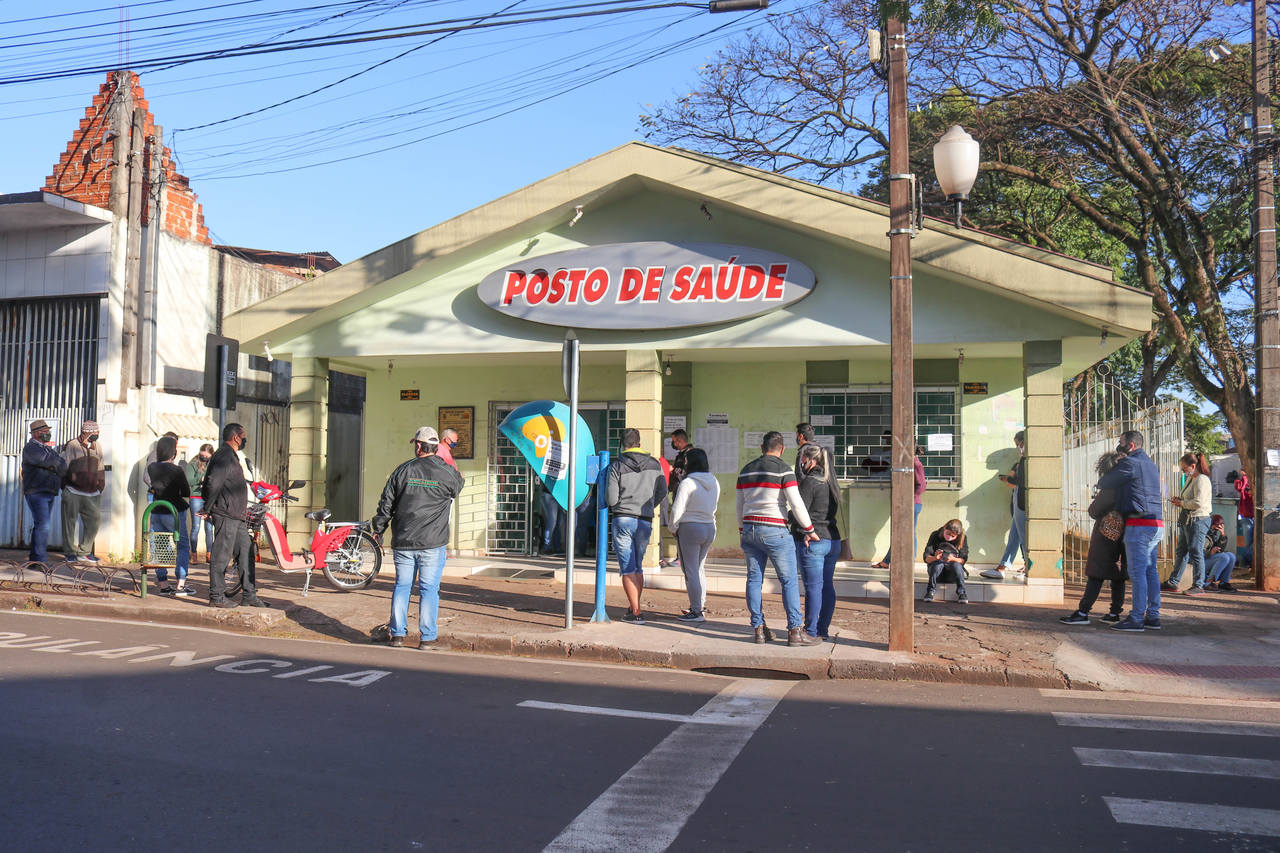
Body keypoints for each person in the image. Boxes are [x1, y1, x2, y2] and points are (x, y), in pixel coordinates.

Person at [372, 426, 464, 648]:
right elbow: (457, 486)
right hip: (433, 543)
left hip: (404, 541)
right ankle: (427, 638)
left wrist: (378, 529)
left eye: (416, 443)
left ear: (420, 446)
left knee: (402, 586)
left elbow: (386, 504)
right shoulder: (447, 472)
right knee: (429, 589)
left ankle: (398, 635)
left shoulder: (402, 471)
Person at [736, 430, 821, 646]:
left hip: (749, 529)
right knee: (788, 580)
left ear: (762, 448)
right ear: (782, 449)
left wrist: (741, 529)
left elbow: (739, 505)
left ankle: (758, 630)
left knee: (754, 580)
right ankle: (795, 632)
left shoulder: (745, 471)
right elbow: (796, 502)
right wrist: (809, 529)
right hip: (775, 530)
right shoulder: (784, 469)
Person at [1096, 430, 1164, 632]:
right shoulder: (1150, 464)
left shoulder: (1130, 463)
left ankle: (1136, 618)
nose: (1119, 445)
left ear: (1131, 446)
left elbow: (1105, 482)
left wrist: (1114, 463)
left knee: (1137, 573)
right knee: (1150, 571)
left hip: (1139, 525)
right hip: (1155, 523)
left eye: (1121, 442)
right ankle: (1153, 616)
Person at [605, 428, 668, 623]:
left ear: (623, 445)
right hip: (644, 520)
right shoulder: (654, 464)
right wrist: (648, 506)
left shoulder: (616, 466)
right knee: (637, 567)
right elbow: (662, 491)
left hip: (622, 518)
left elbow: (611, 499)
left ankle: (637, 612)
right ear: (639, 442)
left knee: (627, 568)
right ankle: (634, 608)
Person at [1059, 451, 1128, 624]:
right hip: (1126, 531)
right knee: (1118, 575)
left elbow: (1094, 510)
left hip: (1106, 535)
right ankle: (1114, 613)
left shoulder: (1111, 486)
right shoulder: (1130, 484)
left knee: (1096, 572)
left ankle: (1083, 612)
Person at [204, 423, 267, 609]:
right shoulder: (224, 456)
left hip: (237, 515)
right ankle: (217, 596)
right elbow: (213, 482)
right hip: (226, 513)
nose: (245, 439)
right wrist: (207, 507)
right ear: (236, 438)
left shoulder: (231, 456)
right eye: (244, 435)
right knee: (221, 555)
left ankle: (249, 595)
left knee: (246, 554)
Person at [792, 442, 842, 638]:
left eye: (803, 458)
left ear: (811, 460)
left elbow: (799, 511)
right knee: (827, 585)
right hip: (833, 540)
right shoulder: (831, 482)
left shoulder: (810, 482)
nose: (801, 462)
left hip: (812, 540)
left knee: (813, 588)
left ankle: (811, 631)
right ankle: (822, 630)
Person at [667, 447, 718, 623]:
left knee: (690, 571)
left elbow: (677, 509)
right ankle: (700, 606)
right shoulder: (714, 481)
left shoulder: (688, 483)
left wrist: (673, 528)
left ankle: (696, 611)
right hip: (709, 527)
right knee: (699, 569)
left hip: (690, 528)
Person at [147, 436, 193, 596]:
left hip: (156, 509)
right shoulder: (177, 470)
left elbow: (155, 485)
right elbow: (186, 491)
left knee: (159, 546)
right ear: (173, 452)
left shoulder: (152, 467)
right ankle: (180, 584)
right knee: (182, 546)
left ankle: (163, 584)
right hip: (174, 511)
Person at [1165, 452, 1213, 595]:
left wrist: (1182, 503)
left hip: (1198, 519)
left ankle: (1199, 584)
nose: (1183, 471)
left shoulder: (1201, 480)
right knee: (1182, 551)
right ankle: (1173, 582)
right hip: (1189, 519)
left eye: (1184, 468)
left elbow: (1199, 502)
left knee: (1196, 552)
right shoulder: (1192, 479)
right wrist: (1180, 500)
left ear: (1193, 466)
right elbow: (1190, 498)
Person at [983, 431, 1028, 580]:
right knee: (1015, 536)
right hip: (1018, 501)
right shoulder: (1022, 460)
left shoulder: (1027, 460)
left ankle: (1029, 568)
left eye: (1019, 444)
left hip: (1022, 502)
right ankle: (1003, 567)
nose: (1018, 448)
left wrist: (1009, 479)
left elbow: (1020, 481)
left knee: (1023, 536)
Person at [21, 419, 67, 565]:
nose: (48, 434)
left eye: (48, 431)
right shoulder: (31, 448)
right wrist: (54, 464)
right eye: (45, 432)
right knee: (43, 525)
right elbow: (49, 462)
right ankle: (40, 561)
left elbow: (62, 465)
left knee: (40, 525)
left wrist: (54, 464)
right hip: (37, 491)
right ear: (36, 433)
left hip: (49, 491)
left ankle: (35, 559)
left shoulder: (48, 449)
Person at [872, 446, 926, 569]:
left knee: (909, 533)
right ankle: (888, 561)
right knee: (900, 533)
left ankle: (908, 561)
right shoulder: (908, 463)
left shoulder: (915, 464)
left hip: (911, 504)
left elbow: (921, 486)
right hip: (906, 503)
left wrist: (910, 497)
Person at [60, 420, 105, 564]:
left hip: (92, 492)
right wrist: (69, 481)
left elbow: (101, 465)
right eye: (94, 432)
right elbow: (64, 465)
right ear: (86, 432)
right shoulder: (72, 445)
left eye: (97, 432)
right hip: (73, 490)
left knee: (94, 521)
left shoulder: (97, 446)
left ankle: (84, 552)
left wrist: (100, 484)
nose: (97, 435)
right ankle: (69, 553)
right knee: (69, 523)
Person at [921, 519, 970, 603]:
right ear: (944, 528)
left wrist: (952, 559)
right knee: (938, 564)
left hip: (952, 575)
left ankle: (962, 593)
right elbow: (926, 558)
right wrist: (935, 558)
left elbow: (963, 560)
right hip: (937, 573)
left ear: (957, 536)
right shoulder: (935, 535)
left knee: (957, 565)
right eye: (947, 534)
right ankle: (930, 591)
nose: (949, 537)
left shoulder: (962, 538)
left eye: (953, 536)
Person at [185, 443, 215, 561]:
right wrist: (200, 479)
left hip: (209, 498)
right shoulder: (193, 464)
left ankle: (209, 554)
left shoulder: (213, 464)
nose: (205, 458)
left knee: (209, 527)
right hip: (196, 497)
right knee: (196, 527)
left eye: (207, 456)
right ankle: (194, 554)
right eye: (203, 456)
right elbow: (189, 480)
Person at [1204, 515, 1239, 592]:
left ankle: (1224, 583)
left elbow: (1221, 549)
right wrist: (1210, 553)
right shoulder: (1204, 533)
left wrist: (1222, 535)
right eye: (1216, 525)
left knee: (1231, 556)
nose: (1218, 527)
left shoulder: (1214, 533)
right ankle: (1208, 583)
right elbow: (1198, 552)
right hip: (1200, 562)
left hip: (1209, 559)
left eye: (1220, 525)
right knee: (1224, 557)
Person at [1227, 470, 1254, 568]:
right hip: (1246, 516)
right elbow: (1239, 487)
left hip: (1257, 515)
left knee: (1255, 541)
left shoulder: (1258, 479)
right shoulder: (1243, 480)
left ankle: (1246, 560)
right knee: (1248, 542)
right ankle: (1247, 561)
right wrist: (1244, 477)